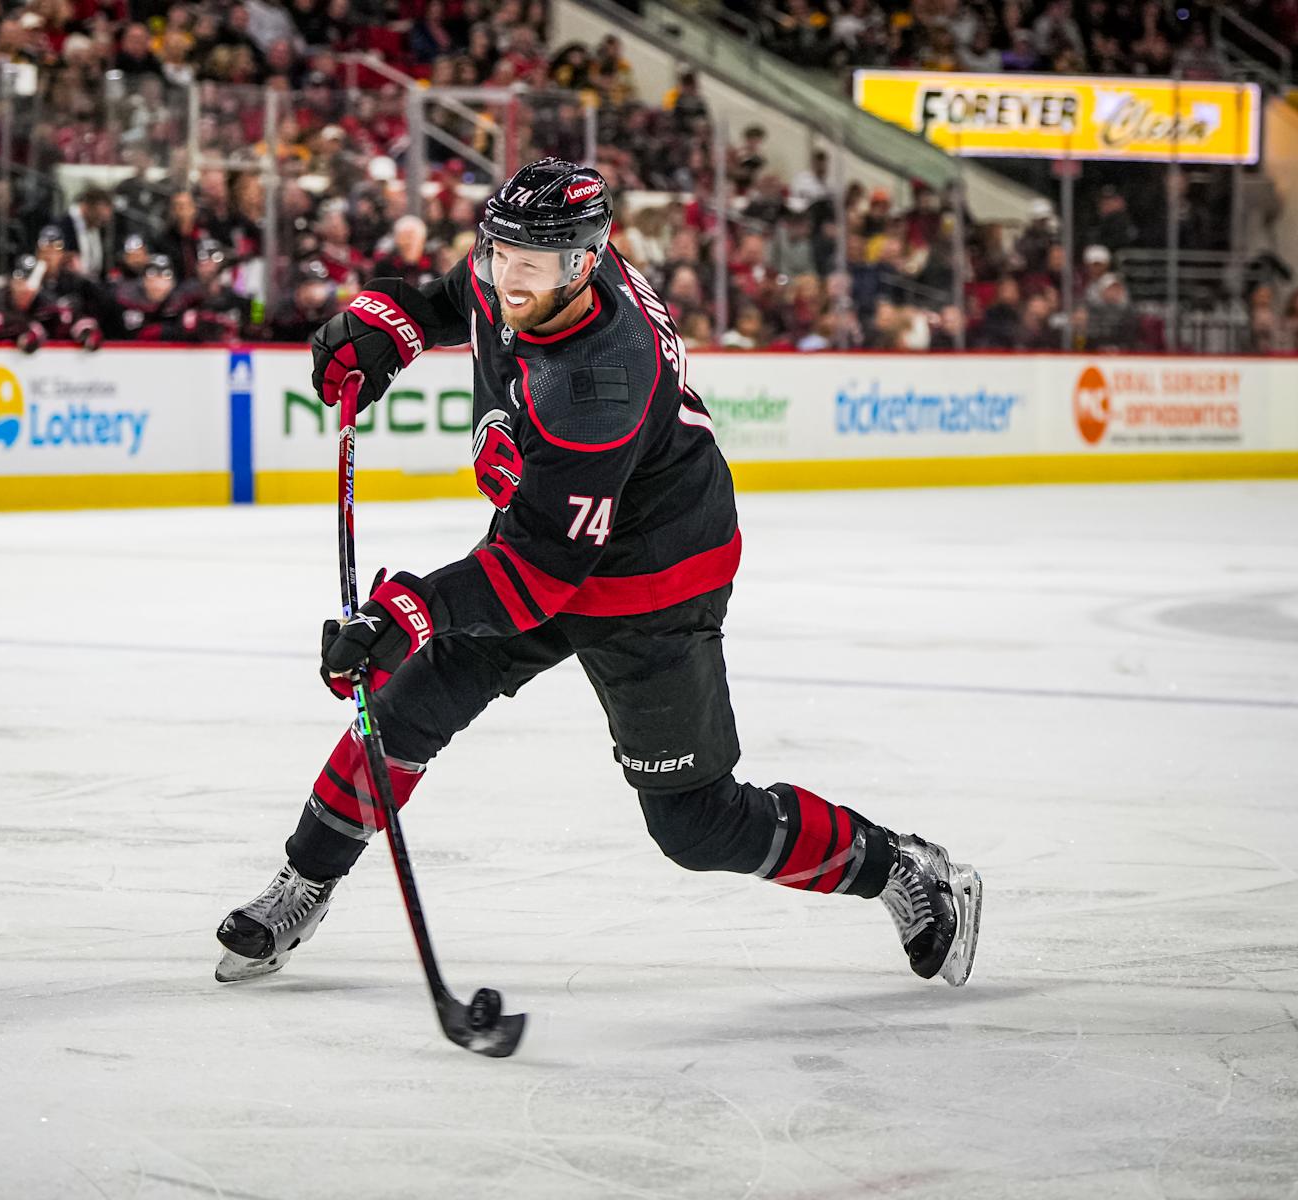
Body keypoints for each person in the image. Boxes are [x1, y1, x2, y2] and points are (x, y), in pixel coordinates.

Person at [214, 159, 984, 991]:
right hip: (549, 535)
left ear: (584, 264)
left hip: (651, 581)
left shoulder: (598, 383)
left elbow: (540, 575)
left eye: (529, 266)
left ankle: (903, 866)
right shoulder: (530, 260)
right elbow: (454, 298)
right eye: (497, 252)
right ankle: (308, 877)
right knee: (405, 709)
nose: (507, 278)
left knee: (696, 826)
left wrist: (412, 612)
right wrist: (389, 323)